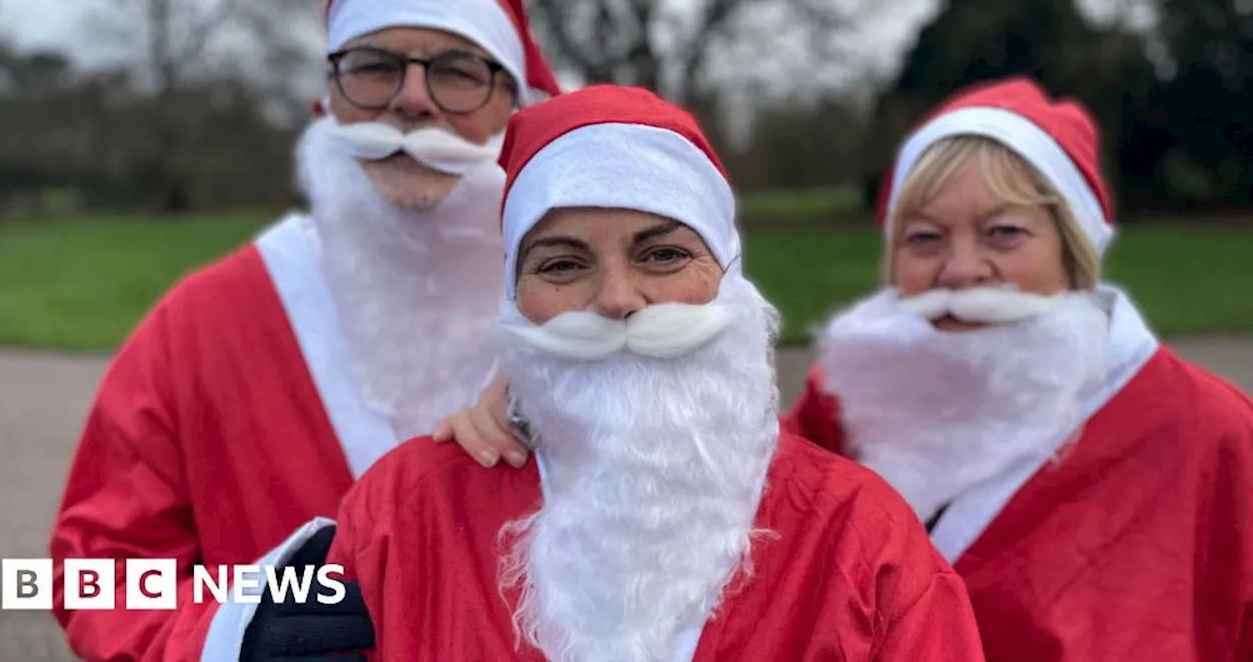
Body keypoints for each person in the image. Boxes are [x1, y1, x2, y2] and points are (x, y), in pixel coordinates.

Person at [323, 84, 988, 661]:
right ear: (513, 300)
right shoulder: (403, 513)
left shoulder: (860, 537)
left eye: (663, 255)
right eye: (561, 265)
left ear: (726, 280)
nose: (616, 299)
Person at [47, 0, 561, 660]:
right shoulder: (202, 322)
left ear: (517, 107)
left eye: (457, 70)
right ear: (326, 102)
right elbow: (84, 575)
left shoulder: (589, 313)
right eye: (375, 66)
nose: (412, 100)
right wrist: (234, 629)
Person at [780, 76, 1253, 660]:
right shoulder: (843, 402)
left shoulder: (1208, 429)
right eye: (925, 238)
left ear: (1072, 249)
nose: (960, 270)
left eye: (1003, 233)